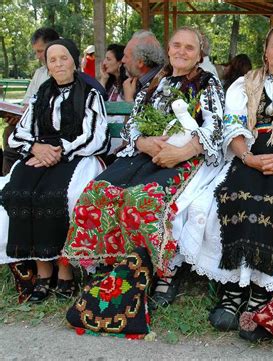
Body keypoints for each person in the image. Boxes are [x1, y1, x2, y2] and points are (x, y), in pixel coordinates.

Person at [177, 23, 273, 341]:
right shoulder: (244, 84)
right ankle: (234, 287)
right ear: (265, 49)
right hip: (250, 156)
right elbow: (232, 127)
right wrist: (248, 158)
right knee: (234, 199)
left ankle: (262, 290)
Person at [62, 26, 225, 308]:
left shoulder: (207, 83)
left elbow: (216, 127)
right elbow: (134, 123)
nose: (182, 52)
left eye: (189, 47)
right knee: (98, 192)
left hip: (186, 155)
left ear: (200, 54)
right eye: (177, 45)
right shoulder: (155, 81)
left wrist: (183, 150)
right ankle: (109, 265)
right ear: (168, 49)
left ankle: (164, 272)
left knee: (144, 198)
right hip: (144, 153)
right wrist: (144, 142)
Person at [0, 39, 109, 303]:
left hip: (77, 156)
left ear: (75, 61)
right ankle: (42, 269)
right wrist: (37, 148)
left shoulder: (90, 93)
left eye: (63, 58)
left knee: (65, 195)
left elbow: (97, 137)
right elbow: (20, 135)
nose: (58, 64)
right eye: (52, 60)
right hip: (40, 155)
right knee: (19, 191)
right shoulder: (41, 95)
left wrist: (59, 150)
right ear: (47, 65)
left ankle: (65, 269)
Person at [1, 28, 60, 176]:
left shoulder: (64, 72)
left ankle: (13, 179)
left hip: (49, 128)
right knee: (9, 131)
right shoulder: (39, 73)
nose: (38, 56)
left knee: (13, 138)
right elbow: (26, 105)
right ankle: (8, 179)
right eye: (36, 52)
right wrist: (17, 116)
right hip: (31, 123)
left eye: (41, 51)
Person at [99, 44, 128, 156]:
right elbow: (98, 103)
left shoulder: (128, 84)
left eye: (108, 59)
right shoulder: (110, 84)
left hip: (120, 137)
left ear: (120, 62)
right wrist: (103, 79)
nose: (104, 63)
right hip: (105, 133)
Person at [121, 30, 164, 102]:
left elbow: (145, 113)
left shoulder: (160, 86)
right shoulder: (142, 81)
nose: (122, 60)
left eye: (126, 56)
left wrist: (129, 99)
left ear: (140, 62)